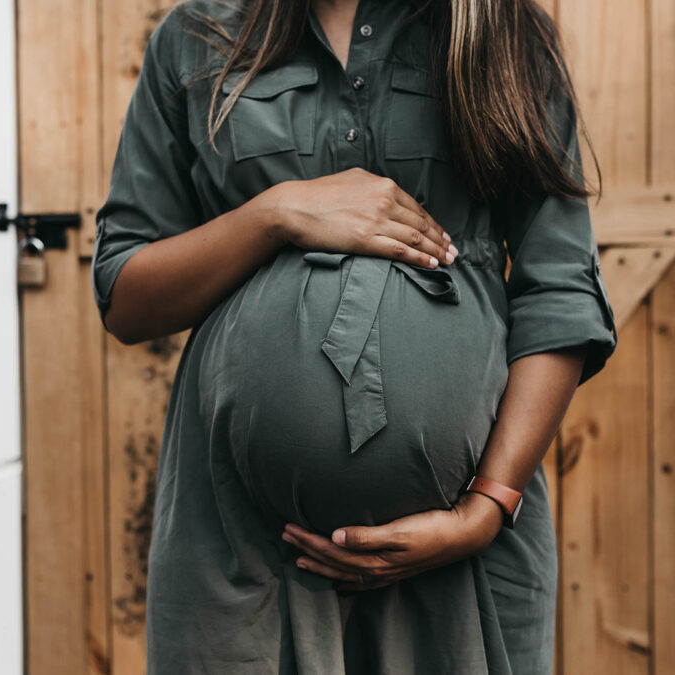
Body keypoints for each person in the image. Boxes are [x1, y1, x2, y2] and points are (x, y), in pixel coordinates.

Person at [90, 0, 618, 672]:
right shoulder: (198, 37)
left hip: (464, 553)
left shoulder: (502, 30)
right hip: (242, 551)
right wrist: (275, 214)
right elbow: (125, 295)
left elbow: (561, 289)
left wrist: (486, 507)